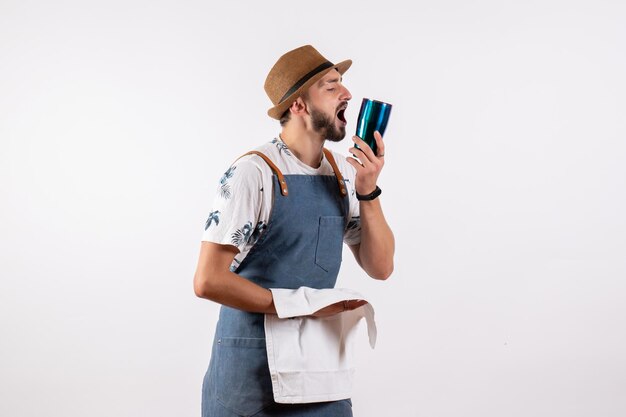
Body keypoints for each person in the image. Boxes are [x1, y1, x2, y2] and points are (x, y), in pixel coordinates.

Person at [193, 44, 395, 417]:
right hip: (250, 377)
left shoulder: (341, 175)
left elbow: (380, 267)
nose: (347, 93)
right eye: (332, 86)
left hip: (317, 369)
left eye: (343, 84)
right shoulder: (253, 173)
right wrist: (300, 306)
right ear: (299, 105)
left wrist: (368, 189)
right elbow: (208, 280)